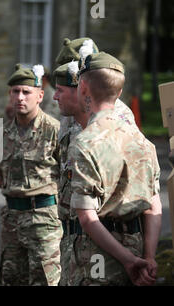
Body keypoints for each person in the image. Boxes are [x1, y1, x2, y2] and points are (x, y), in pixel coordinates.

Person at [67, 52, 162, 286]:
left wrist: (128, 261)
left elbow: (88, 218)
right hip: (136, 247)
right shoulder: (143, 143)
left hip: (97, 257)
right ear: (119, 93)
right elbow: (153, 205)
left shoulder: (85, 142)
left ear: (83, 88)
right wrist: (147, 257)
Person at [52, 38, 138, 285]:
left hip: (103, 234)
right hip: (74, 231)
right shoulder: (71, 114)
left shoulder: (114, 115)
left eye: (74, 68)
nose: (71, 75)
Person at [0, 64, 62, 286]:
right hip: (11, 220)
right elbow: (0, 174)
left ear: (40, 95)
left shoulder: (55, 130)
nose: (20, 97)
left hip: (43, 219)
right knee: (10, 279)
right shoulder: (3, 132)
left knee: (44, 281)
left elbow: (68, 178)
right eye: (15, 91)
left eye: (26, 92)